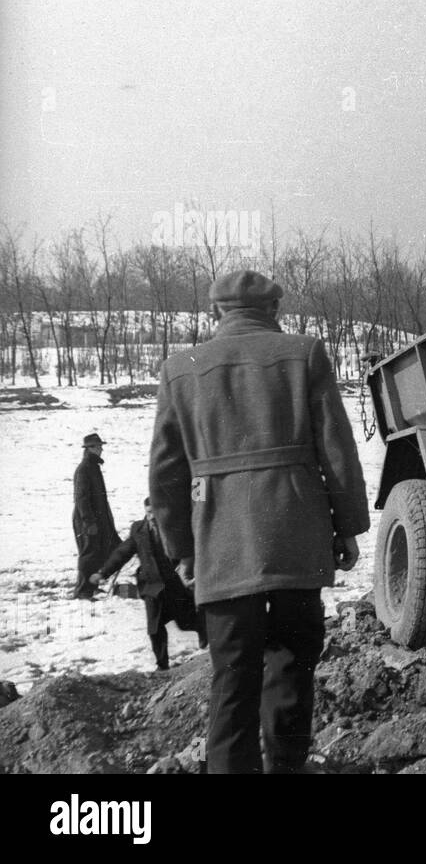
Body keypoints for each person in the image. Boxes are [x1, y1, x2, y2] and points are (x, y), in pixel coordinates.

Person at [149, 269, 370, 774]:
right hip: (294, 536)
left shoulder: (180, 368)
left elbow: (164, 474)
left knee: (231, 682)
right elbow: (337, 449)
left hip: (223, 547)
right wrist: (347, 526)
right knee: (292, 670)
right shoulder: (305, 353)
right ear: (274, 310)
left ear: (215, 314)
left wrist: (182, 550)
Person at [90, 498, 206, 671]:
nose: (151, 516)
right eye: (148, 512)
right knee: (155, 627)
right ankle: (162, 665)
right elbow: (123, 552)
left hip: (174, 585)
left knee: (186, 621)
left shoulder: (173, 527)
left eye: (154, 512)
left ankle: (204, 633)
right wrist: (103, 572)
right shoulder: (139, 529)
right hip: (151, 585)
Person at [72, 433, 120, 600]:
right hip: (87, 519)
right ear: (89, 449)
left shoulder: (93, 467)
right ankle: (82, 591)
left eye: (100, 446)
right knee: (89, 553)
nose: (101, 449)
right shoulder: (84, 468)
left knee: (98, 552)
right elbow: (81, 498)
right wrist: (89, 521)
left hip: (97, 518)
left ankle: (91, 587)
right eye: (98, 446)